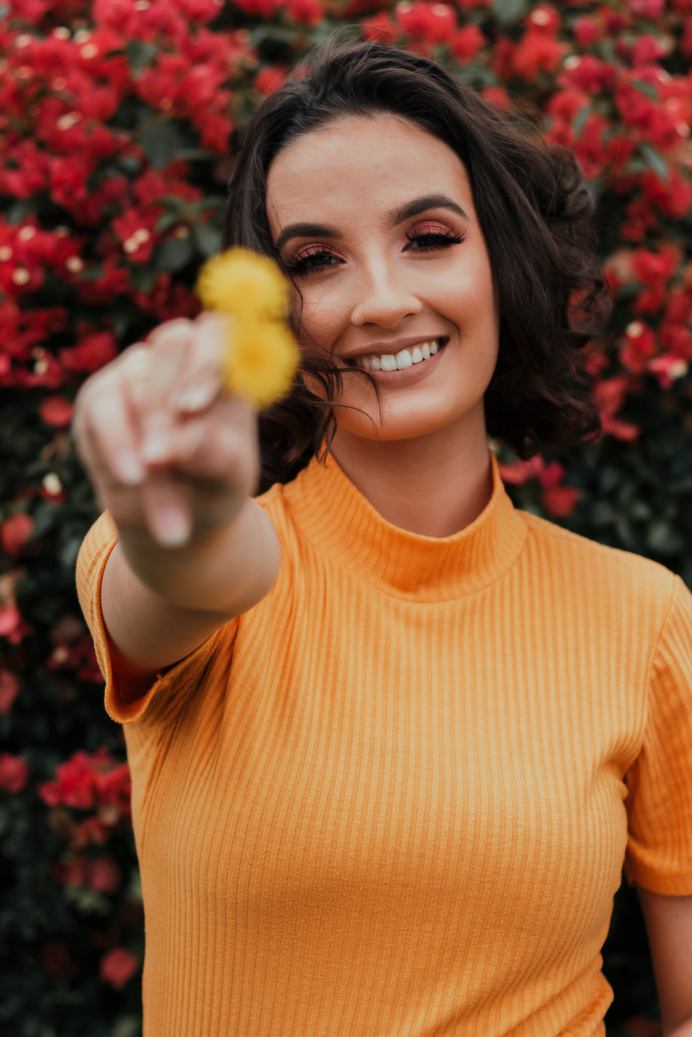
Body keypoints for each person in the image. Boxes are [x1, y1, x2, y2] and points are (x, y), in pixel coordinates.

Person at [74, 38, 692, 1037]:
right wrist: (169, 513)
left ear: (500, 255)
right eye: (316, 259)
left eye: (429, 236)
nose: (380, 299)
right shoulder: (192, 550)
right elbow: (193, 569)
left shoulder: (642, 614)